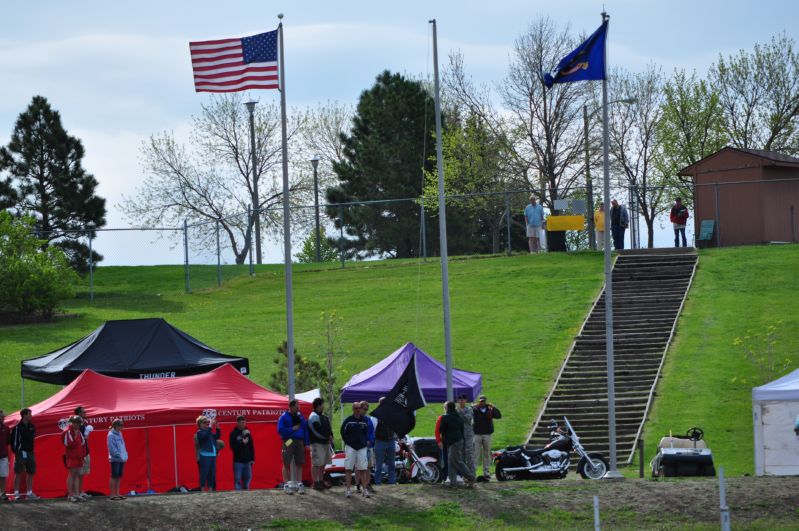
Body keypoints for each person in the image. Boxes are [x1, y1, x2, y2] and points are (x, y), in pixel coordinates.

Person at [340, 402, 374, 498]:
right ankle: (348, 490)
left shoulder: (365, 420)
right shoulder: (348, 421)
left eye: (359, 408)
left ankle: (365, 490)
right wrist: (347, 441)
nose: (358, 409)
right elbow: (343, 431)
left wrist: (368, 441)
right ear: (353, 409)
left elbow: (370, 431)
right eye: (356, 408)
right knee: (348, 468)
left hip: (362, 447)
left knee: (363, 468)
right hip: (350, 447)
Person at [438, 401, 476, 488]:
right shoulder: (459, 416)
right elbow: (461, 429)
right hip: (459, 440)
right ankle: (453, 482)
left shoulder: (445, 417)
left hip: (453, 442)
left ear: (447, 408)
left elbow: (441, 430)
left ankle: (471, 477)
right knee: (451, 461)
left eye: (445, 407)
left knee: (456, 461)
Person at [277, 400, 309, 495]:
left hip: (299, 441)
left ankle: (300, 484)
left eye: (298, 406)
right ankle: (286, 485)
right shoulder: (283, 417)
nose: (298, 408)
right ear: (290, 407)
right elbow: (280, 430)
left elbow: (305, 428)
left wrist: (306, 443)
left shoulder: (300, 416)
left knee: (299, 463)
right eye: (296, 406)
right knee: (286, 462)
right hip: (288, 440)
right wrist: (292, 429)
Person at [11, 408, 38, 500]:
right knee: (18, 472)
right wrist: (17, 451)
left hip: (30, 452)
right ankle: (16, 493)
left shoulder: (32, 426)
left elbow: (33, 438)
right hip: (21, 452)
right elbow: (14, 442)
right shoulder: (18, 427)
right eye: (29, 414)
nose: (31, 416)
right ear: (24, 415)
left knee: (31, 472)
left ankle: (29, 493)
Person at [472, 396, 502, 481]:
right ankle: (473, 473)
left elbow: (498, 415)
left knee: (486, 455)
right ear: (478, 402)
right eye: (481, 401)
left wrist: (493, 408)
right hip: (477, 434)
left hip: (487, 434)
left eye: (483, 401)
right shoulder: (475, 409)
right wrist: (473, 406)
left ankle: (486, 473)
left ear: (485, 402)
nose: (482, 403)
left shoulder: (490, 409)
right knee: (476, 454)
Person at [307, 398, 334, 491]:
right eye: (323, 404)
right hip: (316, 443)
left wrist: (331, 436)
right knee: (316, 464)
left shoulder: (324, 417)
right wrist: (327, 437)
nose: (324, 406)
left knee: (323, 463)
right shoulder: (313, 416)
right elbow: (316, 431)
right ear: (318, 405)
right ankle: (315, 483)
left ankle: (321, 481)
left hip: (325, 443)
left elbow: (329, 429)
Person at [372, 397, 397, 486]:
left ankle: (392, 482)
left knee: (392, 463)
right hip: (380, 441)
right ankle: (377, 482)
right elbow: (373, 430)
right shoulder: (375, 416)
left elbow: (396, 427)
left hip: (391, 440)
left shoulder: (392, 414)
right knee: (378, 464)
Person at [62, 415, 87, 503]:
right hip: (71, 457)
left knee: (77, 475)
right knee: (71, 475)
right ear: (72, 423)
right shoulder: (67, 432)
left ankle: (76, 494)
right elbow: (68, 444)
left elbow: (83, 443)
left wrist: (83, 454)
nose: (78, 425)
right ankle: (70, 494)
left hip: (79, 456)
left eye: (79, 423)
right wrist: (75, 436)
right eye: (77, 423)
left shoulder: (79, 431)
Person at [195, 415, 221, 492]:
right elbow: (205, 436)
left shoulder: (208, 432)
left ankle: (210, 489)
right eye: (205, 422)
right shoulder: (199, 432)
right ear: (200, 424)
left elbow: (217, 436)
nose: (207, 423)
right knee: (204, 473)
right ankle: (202, 489)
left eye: (208, 422)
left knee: (212, 474)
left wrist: (217, 427)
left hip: (212, 455)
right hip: (205, 456)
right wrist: (210, 426)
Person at [229, 415, 255, 490]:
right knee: (237, 479)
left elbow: (251, 446)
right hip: (238, 461)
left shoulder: (248, 433)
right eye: (241, 422)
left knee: (247, 478)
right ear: (237, 423)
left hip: (247, 461)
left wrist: (252, 459)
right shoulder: (233, 433)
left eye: (244, 422)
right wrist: (242, 443)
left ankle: (246, 494)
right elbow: (232, 447)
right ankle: (238, 495)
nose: (243, 424)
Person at [74, 406, 93, 499]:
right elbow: (82, 438)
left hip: (85, 451)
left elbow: (86, 438)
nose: (85, 412)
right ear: (79, 414)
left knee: (82, 473)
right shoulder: (79, 425)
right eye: (83, 411)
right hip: (80, 452)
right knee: (78, 473)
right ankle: (76, 493)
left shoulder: (84, 423)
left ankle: (81, 491)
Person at [107, 419, 128, 501]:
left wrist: (125, 454)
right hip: (115, 459)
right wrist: (119, 455)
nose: (122, 427)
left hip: (121, 458)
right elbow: (112, 449)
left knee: (119, 476)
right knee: (114, 476)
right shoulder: (110, 435)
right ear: (116, 426)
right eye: (121, 425)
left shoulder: (120, 433)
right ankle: (112, 494)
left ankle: (117, 493)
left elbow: (123, 445)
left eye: (122, 425)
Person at [456, 394, 475, 477]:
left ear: (466, 401)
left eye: (463, 399)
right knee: (461, 456)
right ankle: (464, 475)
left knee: (469, 455)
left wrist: (460, 412)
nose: (461, 401)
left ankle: (472, 474)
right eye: (460, 399)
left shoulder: (469, 409)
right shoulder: (456, 410)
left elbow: (468, 419)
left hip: (468, 436)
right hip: (459, 436)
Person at [360, 401, 378, 490]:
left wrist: (370, 441)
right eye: (364, 409)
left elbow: (372, 432)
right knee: (361, 467)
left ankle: (367, 483)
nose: (366, 411)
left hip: (369, 446)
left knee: (369, 466)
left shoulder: (368, 419)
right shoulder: (355, 419)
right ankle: (360, 484)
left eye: (367, 409)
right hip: (359, 447)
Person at [434, 405, 448, 482]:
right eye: (445, 407)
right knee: (444, 460)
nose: (446, 409)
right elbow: (437, 431)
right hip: (444, 442)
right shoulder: (441, 418)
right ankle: (444, 477)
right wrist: (439, 441)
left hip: (453, 442)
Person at [0, 410, 10, 501]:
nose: (3, 418)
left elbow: (8, 442)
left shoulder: (6, 428)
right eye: (2, 416)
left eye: (3, 416)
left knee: (3, 475)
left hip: (3, 456)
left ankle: (2, 493)